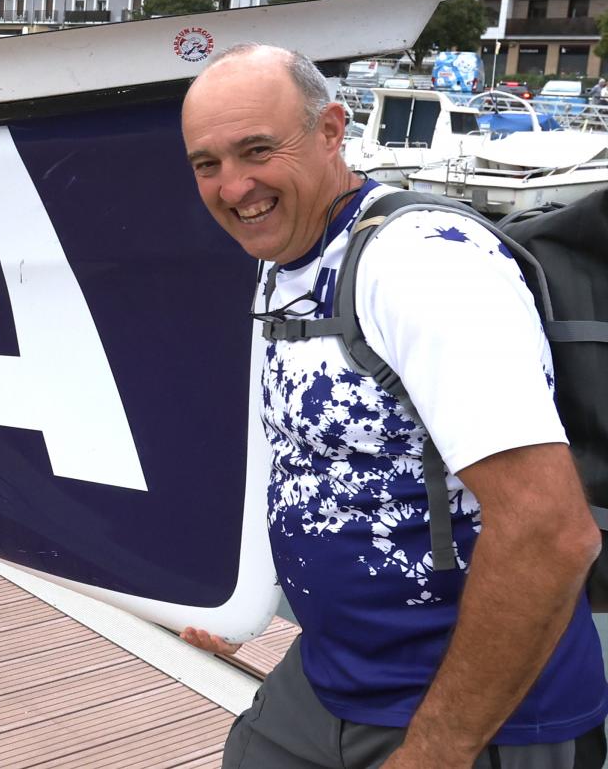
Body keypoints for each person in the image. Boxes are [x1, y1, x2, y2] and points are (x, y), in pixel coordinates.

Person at [179, 43, 607, 768]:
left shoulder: (423, 266)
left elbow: (550, 533)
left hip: (477, 714)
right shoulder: (288, 261)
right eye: (208, 164)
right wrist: (243, 600)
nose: (233, 186)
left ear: (331, 131)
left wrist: (436, 752)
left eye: (257, 150)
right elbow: (315, 456)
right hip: (332, 677)